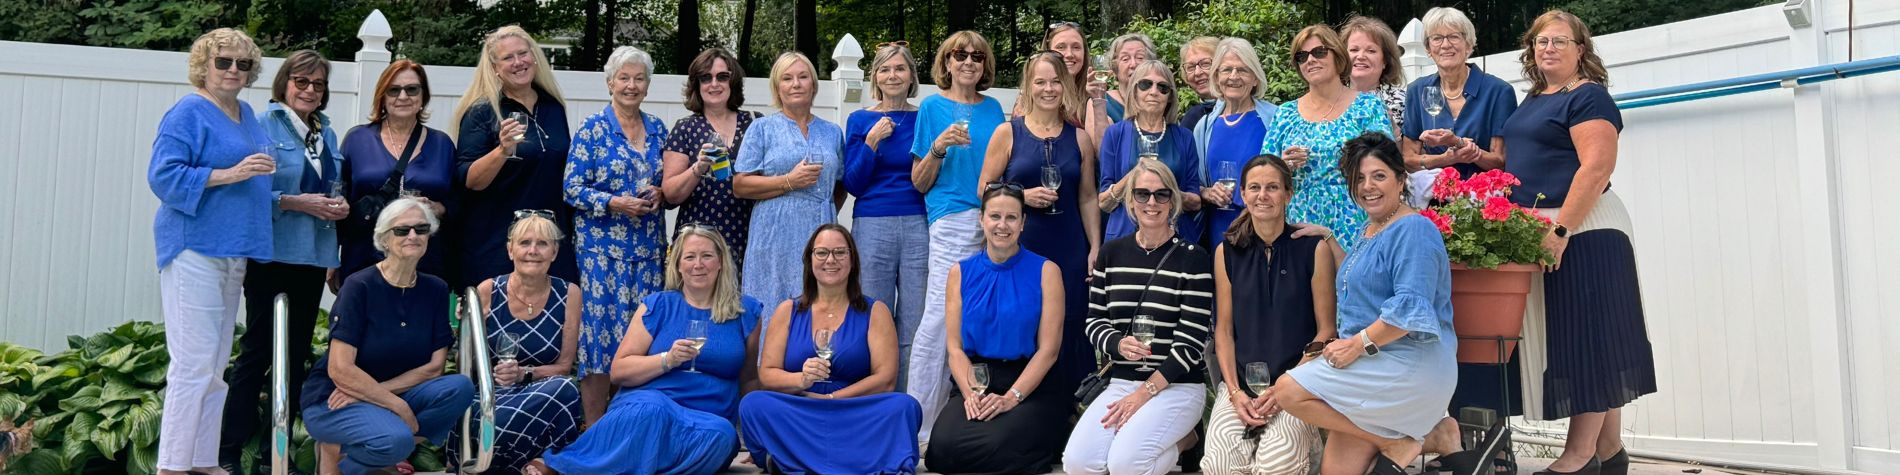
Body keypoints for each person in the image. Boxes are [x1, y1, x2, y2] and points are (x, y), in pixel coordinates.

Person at [1503, 10, 1656, 475]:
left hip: (1585, 229)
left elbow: (1596, 168)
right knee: (1587, 339)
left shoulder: (1588, 96)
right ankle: (1609, 452)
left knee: (1589, 341)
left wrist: (1560, 231)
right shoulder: (1534, 98)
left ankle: (1578, 455)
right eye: (1540, 41)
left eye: (1559, 41)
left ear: (1580, 49)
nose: (1548, 48)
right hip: (1551, 227)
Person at [1273, 133, 1459, 475]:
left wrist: (1356, 345)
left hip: (1409, 364)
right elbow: (1360, 277)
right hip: (1372, 363)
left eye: (1379, 176)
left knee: (1288, 390)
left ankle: (1401, 441)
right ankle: (1429, 436)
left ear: (1401, 179)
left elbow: (1408, 311)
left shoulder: (1414, 229)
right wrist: (1328, 237)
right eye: (1359, 178)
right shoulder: (1370, 229)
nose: (1367, 186)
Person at [527, 227, 764, 475]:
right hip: (651, 401)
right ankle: (564, 466)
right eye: (689, 257)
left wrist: (756, 441)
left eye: (706, 256)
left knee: (723, 437)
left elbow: (749, 379)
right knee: (652, 412)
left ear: (721, 262)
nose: (698, 265)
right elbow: (619, 371)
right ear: (678, 265)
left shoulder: (744, 311)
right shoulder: (658, 305)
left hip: (705, 418)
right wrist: (667, 359)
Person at [149, 27, 274, 475]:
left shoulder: (247, 113)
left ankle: (202, 460)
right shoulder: (188, 111)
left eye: (243, 63)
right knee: (193, 363)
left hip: (233, 249)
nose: (234, 70)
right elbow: (163, 176)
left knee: (216, 365)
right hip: (194, 247)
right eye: (223, 61)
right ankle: (171, 466)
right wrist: (230, 173)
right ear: (204, 66)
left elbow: (256, 182)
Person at [219, 49, 346, 474]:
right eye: (301, 81)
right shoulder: (261, 125)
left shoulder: (326, 133)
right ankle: (229, 452)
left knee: (294, 357)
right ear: (285, 84)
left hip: (313, 257)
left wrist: (338, 206)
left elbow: (332, 186)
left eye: (318, 84)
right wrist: (294, 202)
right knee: (257, 352)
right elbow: (249, 190)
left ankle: (277, 453)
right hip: (272, 254)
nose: (310, 90)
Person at [302, 198, 478, 475]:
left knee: (460, 388)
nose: (413, 236)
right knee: (396, 439)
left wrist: (380, 395)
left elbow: (435, 368)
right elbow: (340, 369)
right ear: (384, 239)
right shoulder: (359, 286)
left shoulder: (435, 288)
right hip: (335, 398)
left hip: (387, 393)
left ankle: (348, 460)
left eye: (421, 229)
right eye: (402, 230)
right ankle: (355, 451)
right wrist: (398, 406)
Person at [1062, 158, 1214, 475]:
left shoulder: (1194, 259)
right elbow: (1095, 321)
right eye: (1142, 194)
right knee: (1078, 463)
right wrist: (1117, 344)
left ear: (1173, 200)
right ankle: (1168, 441)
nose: (1151, 202)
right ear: (1130, 201)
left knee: (1126, 464)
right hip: (1122, 381)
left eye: (1161, 194)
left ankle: (1186, 440)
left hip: (1176, 385)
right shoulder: (1111, 253)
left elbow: (1190, 344)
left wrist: (1143, 394)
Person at [739, 224, 922, 473]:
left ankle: (792, 457)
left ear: (852, 260)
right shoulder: (787, 311)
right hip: (802, 409)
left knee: (904, 407)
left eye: (840, 252)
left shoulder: (875, 311)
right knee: (753, 404)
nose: (831, 260)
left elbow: (885, 380)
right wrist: (801, 380)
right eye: (822, 252)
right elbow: (767, 375)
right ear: (810, 259)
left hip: (854, 411)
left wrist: (832, 399)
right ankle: (856, 458)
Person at [1200, 154, 1337, 474]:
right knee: (1219, 465)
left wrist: (1287, 385)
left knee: (1275, 465)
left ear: (1288, 194)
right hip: (1241, 387)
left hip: (1297, 383)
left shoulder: (1313, 249)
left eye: (1273, 187)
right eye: (1255, 187)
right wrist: (1234, 392)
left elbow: (1326, 331)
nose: (1263, 195)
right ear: (1243, 194)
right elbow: (1224, 330)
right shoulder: (1226, 252)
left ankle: (1309, 446)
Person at [978, 51, 1101, 393]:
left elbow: (1087, 197)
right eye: (1040, 82)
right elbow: (983, 188)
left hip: (1069, 247)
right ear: (1028, 87)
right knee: (1023, 320)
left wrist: (1095, 247)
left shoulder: (1079, 138)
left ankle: (1072, 407)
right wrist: (1021, 196)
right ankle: (1018, 399)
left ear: (1066, 86)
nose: (1048, 89)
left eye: (1056, 82)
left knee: (1071, 323)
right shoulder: (1008, 133)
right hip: (1022, 247)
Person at [925, 186, 1070, 474]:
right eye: (995, 216)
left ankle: (1046, 434)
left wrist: (1010, 398)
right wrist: (971, 395)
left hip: (1030, 383)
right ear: (981, 219)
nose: (1002, 225)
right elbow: (954, 348)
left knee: (996, 444)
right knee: (940, 451)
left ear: (1023, 223)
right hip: (976, 379)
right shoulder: (959, 273)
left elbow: (1049, 351)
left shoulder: (1047, 271)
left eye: (1011, 217)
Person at [907, 30, 1007, 446]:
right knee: (938, 319)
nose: (968, 62)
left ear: (985, 65)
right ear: (946, 62)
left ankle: (971, 417)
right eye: (959, 55)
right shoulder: (932, 108)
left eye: (977, 56)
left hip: (996, 219)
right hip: (952, 218)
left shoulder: (994, 109)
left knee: (982, 319)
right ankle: (917, 429)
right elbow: (919, 181)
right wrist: (939, 146)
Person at [563, 45, 670, 425]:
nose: (631, 85)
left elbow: (668, 180)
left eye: (639, 78)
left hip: (648, 251)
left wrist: (660, 192)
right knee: (599, 339)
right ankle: (594, 427)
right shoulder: (593, 129)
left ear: (648, 85)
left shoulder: (658, 129)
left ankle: (631, 426)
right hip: (601, 254)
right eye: (624, 78)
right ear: (610, 82)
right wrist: (613, 202)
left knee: (643, 338)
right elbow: (571, 188)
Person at [447, 213, 583, 472]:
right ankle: (534, 463)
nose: (533, 251)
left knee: (566, 388)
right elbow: (463, 363)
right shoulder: (488, 289)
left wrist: (524, 374)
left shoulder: (569, 294)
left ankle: (511, 461)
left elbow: (564, 366)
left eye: (542, 244)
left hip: (539, 393)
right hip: (488, 394)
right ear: (511, 250)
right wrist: (467, 328)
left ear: (554, 252)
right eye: (525, 243)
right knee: (492, 417)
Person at [453, 25, 576, 288]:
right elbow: (469, 180)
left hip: (549, 243)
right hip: (497, 245)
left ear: (534, 56)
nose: (518, 62)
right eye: (508, 58)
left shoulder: (553, 107)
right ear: (495, 68)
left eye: (522, 53)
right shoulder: (482, 112)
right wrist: (502, 151)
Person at [1261, 25, 1395, 253]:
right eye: (1302, 56)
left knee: (1353, 275)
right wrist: (1283, 165)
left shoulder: (1367, 106)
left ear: (1338, 56)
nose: (1310, 60)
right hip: (1299, 221)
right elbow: (1263, 171)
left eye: (1319, 52)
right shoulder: (1285, 113)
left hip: (1354, 217)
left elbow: (1386, 161)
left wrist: (1352, 158)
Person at [841, 42, 928, 388]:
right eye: (885, 69)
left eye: (900, 69)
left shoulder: (924, 117)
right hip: (872, 222)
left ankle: (907, 397)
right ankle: (871, 394)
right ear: (875, 77)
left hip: (918, 222)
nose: (893, 75)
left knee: (915, 317)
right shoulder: (860, 120)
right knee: (873, 313)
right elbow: (853, 183)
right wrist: (871, 142)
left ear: (911, 76)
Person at [734, 51, 845, 307]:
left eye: (803, 77)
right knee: (774, 301)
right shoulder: (762, 128)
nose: (796, 84)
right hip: (774, 233)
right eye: (787, 78)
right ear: (777, 87)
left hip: (820, 230)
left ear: (813, 84)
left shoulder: (832, 132)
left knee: (819, 302)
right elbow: (740, 185)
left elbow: (839, 185)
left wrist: (820, 209)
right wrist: (789, 181)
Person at [337, 60, 456, 282]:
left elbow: (458, 203)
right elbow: (339, 198)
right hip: (364, 257)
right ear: (382, 96)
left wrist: (437, 208)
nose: (403, 96)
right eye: (394, 90)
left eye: (412, 89)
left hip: (425, 260)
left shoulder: (442, 144)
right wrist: (331, 260)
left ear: (423, 96)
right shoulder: (357, 139)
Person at [662, 48, 762, 270]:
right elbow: (670, 194)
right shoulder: (685, 129)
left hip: (747, 236)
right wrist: (698, 168)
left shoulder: (755, 123)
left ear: (733, 81)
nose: (714, 84)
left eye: (722, 77)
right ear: (697, 84)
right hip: (698, 240)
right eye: (706, 78)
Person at [1402, 7, 1518, 178]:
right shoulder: (1417, 91)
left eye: (1454, 36)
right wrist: (1446, 159)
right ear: (1428, 48)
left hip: (1483, 192)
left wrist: (1460, 145)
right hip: (1432, 192)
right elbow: (1408, 160)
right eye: (1437, 38)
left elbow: (1501, 161)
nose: (1445, 45)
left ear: (1468, 44)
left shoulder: (1498, 91)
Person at [1099, 60, 1205, 245]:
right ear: (1134, 91)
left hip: (1175, 238)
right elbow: (1104, 202)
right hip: (1125, 239)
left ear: (1170, 96)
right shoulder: (1115, 134)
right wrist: (1137, 174)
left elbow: (1195, 201)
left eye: (1162, 87)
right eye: (1145, 84)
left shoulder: (1184, 137)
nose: (1154, 92)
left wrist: (1165, 189)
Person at [1192, 38, 1280, 240]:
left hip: (1263, 228)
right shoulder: (1204, 127)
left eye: (1242, 70)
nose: (1234, 76)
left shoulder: (1275, 118)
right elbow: (1192, 182)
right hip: (1218, 228)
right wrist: (1207, 193)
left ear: (1255, 78)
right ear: (1216, 77)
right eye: (1227, 70)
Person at [1343, 16, 1408, 134]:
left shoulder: (1403, 101)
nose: (1361, 56)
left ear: (1385, 61)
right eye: (1354, 50)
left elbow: (1413, 145)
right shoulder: (1331, 98)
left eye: (1371, 51)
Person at [1099, 33, 1158, 126]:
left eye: (1140, 58)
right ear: (1115, 69)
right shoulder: (1101, 101)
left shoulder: (1159, 99)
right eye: (1125, 59)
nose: (1133, 64)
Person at [1179, 36, 1221, 129]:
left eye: (1205, 64)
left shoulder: (1242, 109)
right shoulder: (1191, 119)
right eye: (1191, 67)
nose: (1197, 72)